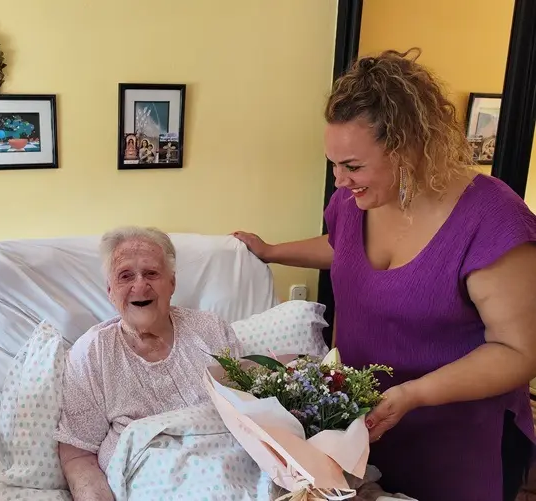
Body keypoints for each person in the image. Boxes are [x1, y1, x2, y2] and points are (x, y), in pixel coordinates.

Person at [233, 48, 536, 501]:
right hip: (363, 432)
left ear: (411, 148)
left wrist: (413, 394)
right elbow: (341, 249)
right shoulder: (356, 202)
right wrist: (272, 251)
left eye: (353, 166)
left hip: (461, 444)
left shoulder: (493, 219)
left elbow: (518, 351)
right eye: (334, 164)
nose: (339, 180)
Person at [54, 226, 242, 501]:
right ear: (110, 290)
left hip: (233, 473)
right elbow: (78, 451)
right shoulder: (93, 353)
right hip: (153, 485)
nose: (140, 286)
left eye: (152, 273)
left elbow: (249, 414)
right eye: (125, 276)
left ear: (172, 283)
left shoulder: (211, 330)